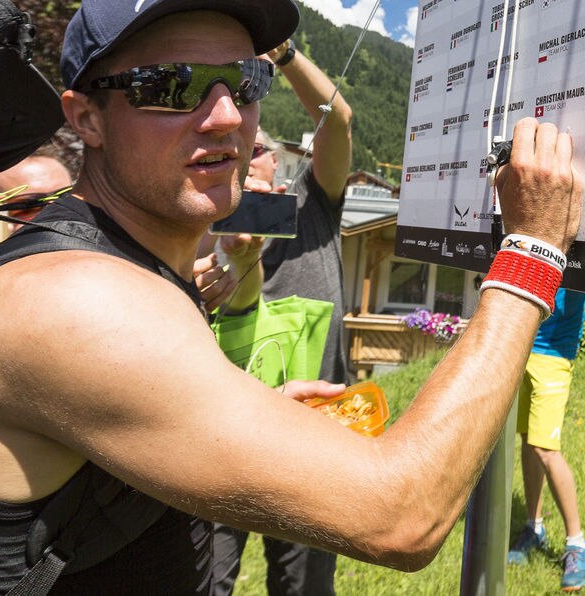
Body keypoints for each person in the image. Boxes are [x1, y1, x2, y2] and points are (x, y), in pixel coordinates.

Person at [0, 0, 583, 592]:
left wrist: (244, 421)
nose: (227, 117)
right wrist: (531, 254)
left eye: (244, 82)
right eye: (170, 85)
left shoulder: (128, 268)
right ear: (86, 118)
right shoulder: (72, 301)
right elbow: (403, 516)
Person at [245, 34, 355, 596]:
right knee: (204, 574)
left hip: (312, 422)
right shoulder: (195, 228)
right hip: (228, 425)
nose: (248, 155)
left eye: (258, 147)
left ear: (280, 165)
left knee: (305, 580)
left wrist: (283, 55)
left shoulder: (312, 204)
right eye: (239, 152)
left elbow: (337, 119)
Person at [506, 288, 585, 591]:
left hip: (555, 352)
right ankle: (534, 527)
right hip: (523, 345)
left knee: (545, 448)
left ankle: (578, 545)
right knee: (528, 440)